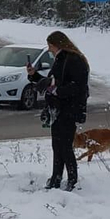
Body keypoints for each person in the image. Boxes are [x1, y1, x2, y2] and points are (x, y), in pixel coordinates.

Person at [32, 31, 90, 191]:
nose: (49, 49)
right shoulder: (61, 59)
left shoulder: (74, 60)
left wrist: (57, 91)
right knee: (57, 145)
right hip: (57, 109)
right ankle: (56, 178)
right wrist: (35, 76)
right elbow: (51, 82)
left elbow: (77, 87)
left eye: (50, 45)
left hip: (68, 109)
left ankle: (72, 180)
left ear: (57, 44)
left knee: (65, 146)